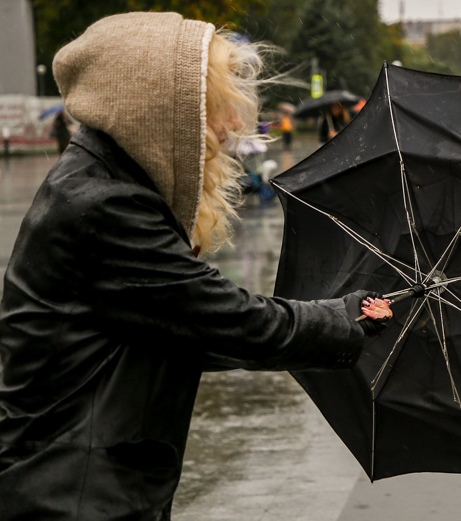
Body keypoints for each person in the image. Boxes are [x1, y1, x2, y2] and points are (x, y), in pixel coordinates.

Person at [0, 12, 391, 520]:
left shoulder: (102, 182)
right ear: (157, 108)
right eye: (215, 107)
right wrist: (346, 316)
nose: (233, 126)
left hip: (77, 484)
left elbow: (188, 327)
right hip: (72, 495)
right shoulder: (104, 204)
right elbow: (226, 321)